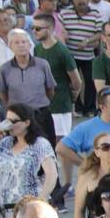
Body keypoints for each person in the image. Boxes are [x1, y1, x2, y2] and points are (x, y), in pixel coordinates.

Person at [0, 105, 58, 215]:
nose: (9, 125)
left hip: (30, 208)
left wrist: (40, 201)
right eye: (7, 120)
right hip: (7, 208)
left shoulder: (40, 144)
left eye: (14, 121)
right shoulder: (6, 143)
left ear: (27, 123)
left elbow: (52, 175)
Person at [0, 27, 58, 141]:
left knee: (47, 149)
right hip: (17, 118)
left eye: (24, 42)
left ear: (30, 45)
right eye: (17, 42)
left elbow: (50, 90)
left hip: (41, 115)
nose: (21, 45)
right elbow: (3, 94)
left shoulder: (42, 65)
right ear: (10, 46)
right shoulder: (4, 69)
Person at [30, 13, 82, 145]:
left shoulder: (62, 51)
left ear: (50, 29)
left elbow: (76, 80)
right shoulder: (37, 49)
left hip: (60, 105)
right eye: (33, 27)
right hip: (43, 105)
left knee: (61, 143)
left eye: (38, 28)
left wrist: (72, 96)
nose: (34, 31)